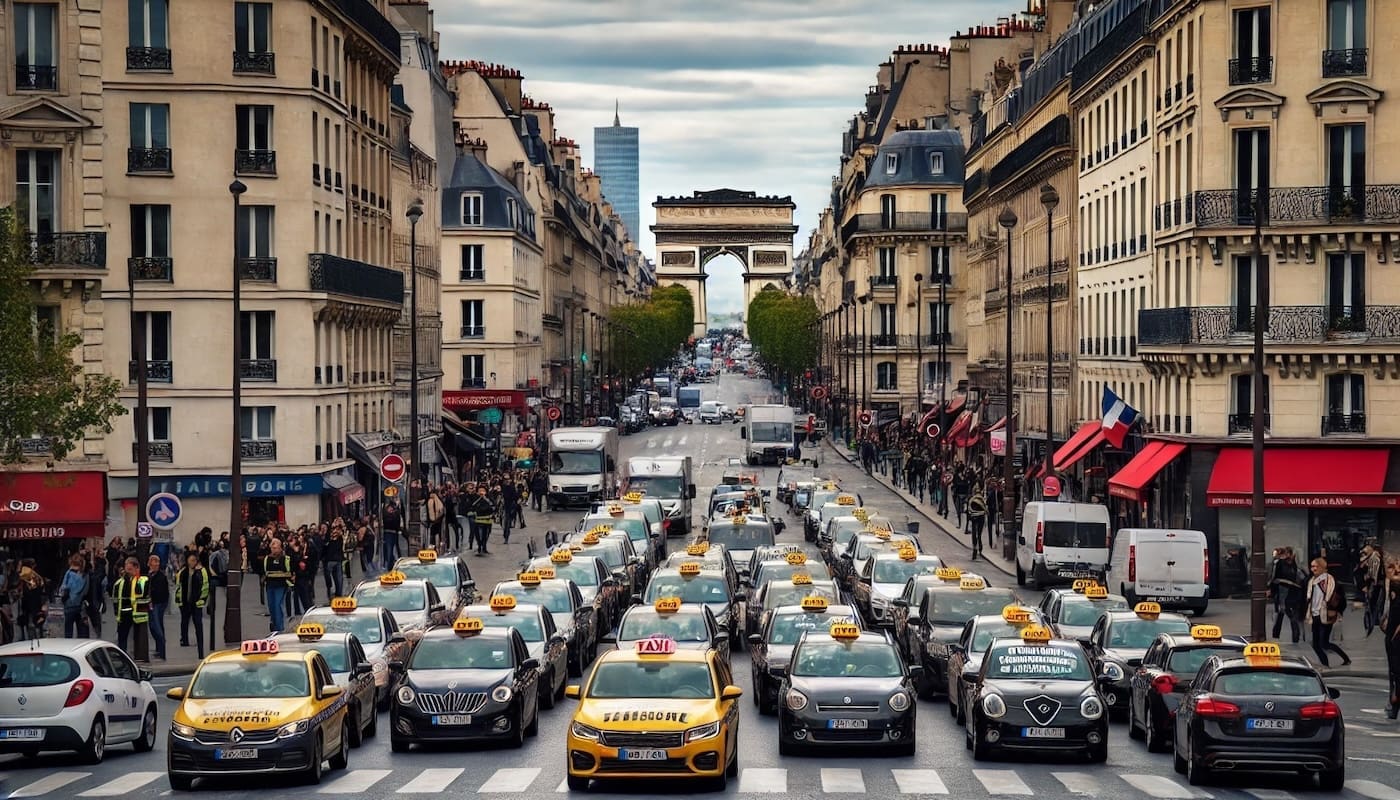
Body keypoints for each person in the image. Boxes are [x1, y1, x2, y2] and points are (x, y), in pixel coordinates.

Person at [1306, 557, 1351, 668]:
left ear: (1322, 567)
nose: (1313, 569)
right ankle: (1325, 664)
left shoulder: (1330, 580)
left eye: (1315, 566)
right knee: (1315, 644)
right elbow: (1309, 598)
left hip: (1326, 614)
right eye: (1312, 566)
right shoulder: (1311, 581)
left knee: (1324, 643)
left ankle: (1345, 659)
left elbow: (1340, 599)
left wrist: (1338, 611)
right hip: (1315, 614)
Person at [112, 557, 151, 660]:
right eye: (126, 568)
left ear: (136, 568)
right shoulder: (119, 583)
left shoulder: (142, 580)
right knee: (122, 638)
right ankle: (123, 657)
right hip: (124, 614)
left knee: (139, 639)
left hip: (138, 614)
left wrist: (136, 577)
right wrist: (117, 614)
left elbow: (142, 594)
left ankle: (140, 657)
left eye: (130, 569)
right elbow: (115, 600)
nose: (128, 572)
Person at [175, 552, 210, 659]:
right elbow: (178, 587)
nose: (192, 562)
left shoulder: (201, 571)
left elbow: (205, 586)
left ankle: (201, 651)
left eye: (194, 560)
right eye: (190, 560)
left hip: (196, 603)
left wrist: (201, 601)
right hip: (185, 603)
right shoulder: (183, 572)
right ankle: (184, 640)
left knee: (198, 625)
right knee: (184, 621)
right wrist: (179, 601)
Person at [1269, 547, 1305, 643]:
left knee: (1286, 613)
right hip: (1282, 589)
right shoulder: (1280, 563)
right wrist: (1272, 590)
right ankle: (1278, 634)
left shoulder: (1294, 564)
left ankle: (1292, 636)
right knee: (1284, 612)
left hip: (1292, 590)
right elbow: (1275, 577)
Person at [262, 539, 293, 633]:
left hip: (281, 585)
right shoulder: (267, 558)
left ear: (280, 548)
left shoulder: (286, 558)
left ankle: (279, 628)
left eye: (275, 548)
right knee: (271, 606)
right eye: (272, 547)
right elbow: (265, 571)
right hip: (270, 585)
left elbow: (289, 571)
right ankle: (274, 625)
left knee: (277, 605)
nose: (273, 549)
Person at [1381, 558, 1400, 718]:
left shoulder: (1396, 586)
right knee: (1393, 671)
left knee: (1396, 670)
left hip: (1396, 636)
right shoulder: (1389, 586)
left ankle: (1394, 702)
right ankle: (1393, 703)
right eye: (1391, 567)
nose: (1394, 570)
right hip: (1391, 634)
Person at [145, 554, 170, 659]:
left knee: (157, 627)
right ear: (149, 564)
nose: (156, 564)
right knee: (153, 626)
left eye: (157, 563)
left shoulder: (161, 576)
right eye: (154, 562)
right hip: (151, 603)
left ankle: (162, 650)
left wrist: (153, 601)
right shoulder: (149, 575)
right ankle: (159, 649)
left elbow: (162, 592)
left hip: (157, 604)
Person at [59, 554, 88, 638]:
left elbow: (63, 589)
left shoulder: (68, 573)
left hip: (69, 606)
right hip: (80, 606)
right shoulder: (84, 575)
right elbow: (85, 591)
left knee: (68, 633)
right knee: (81, 634)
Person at [16, 563, 47, 640]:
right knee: (35, 627)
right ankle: (36, 640)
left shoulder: (31, 579)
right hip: (32, 607)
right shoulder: (36, 579)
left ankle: (33, 641)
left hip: (32, 607)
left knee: (33, 627)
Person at [467, 485, 496, 556]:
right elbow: (472, 506)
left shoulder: (488, 498)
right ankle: (479, 547)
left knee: (486, 534)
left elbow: (492, 506)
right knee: (477, 534)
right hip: (478, 520)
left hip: (487, 520)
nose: (481, 492)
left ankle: (484, 547)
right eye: (480, 491)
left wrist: (485, 498)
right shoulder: (475, 498)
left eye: (483, 490)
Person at [322, 523, 345, 599]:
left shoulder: (328, 538)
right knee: (338, 578)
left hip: (330, 560)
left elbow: (324, 549)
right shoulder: (340, 538)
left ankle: (332, 592)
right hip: (337, 559)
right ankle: (338, 593)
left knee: (331, 578)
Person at [966, 489, 988, 560]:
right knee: (979, 534)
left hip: (974, 519)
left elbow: (969, 511)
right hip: (980, 518)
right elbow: (985, 510)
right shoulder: (982, 500)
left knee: (974, 535)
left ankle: (975, 548)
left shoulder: (972, 500)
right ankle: (980, 549)